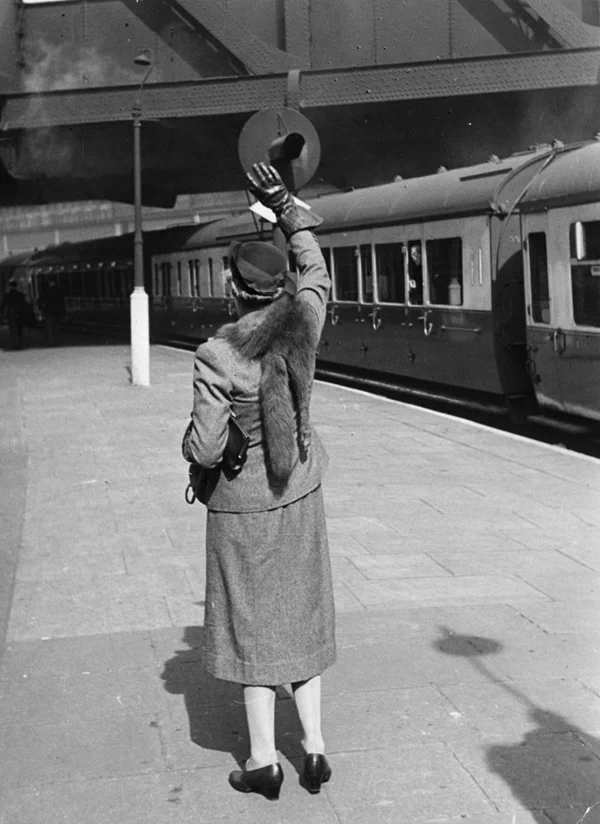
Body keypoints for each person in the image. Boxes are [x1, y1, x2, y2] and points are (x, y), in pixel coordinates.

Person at [183, 163, 335, 800]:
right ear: (278, 289)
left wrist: (189, 447)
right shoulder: (304, 321)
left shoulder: (218, 355)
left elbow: (210, 445)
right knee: (298, 616)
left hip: (242, 508)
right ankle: (317, 750)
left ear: (232, 290)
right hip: (299, 492)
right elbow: (318, 274)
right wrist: (286, 211)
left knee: (252, 627)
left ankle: (266, 763)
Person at [1, 278, 27, 349]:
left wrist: (2, 313)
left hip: (11, 314)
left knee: (13, 329)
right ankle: (20, 342)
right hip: (20, 314)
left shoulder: (7, 295)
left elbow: (3, 305)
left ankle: (16, 344)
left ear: (10, 286)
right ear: (16, 286)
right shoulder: (21, 295)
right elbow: (24, 305)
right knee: (19, 329)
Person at [38, 279, 66, 346]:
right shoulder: (59, 291)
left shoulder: (45, 292)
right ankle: (57, 342)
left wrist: (41, 309)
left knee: (49, 328)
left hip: (48, 312)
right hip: (57, 312)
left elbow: (41, 302)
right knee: (57, 328)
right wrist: (64, 312)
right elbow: (62, 303)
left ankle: (51, 343)